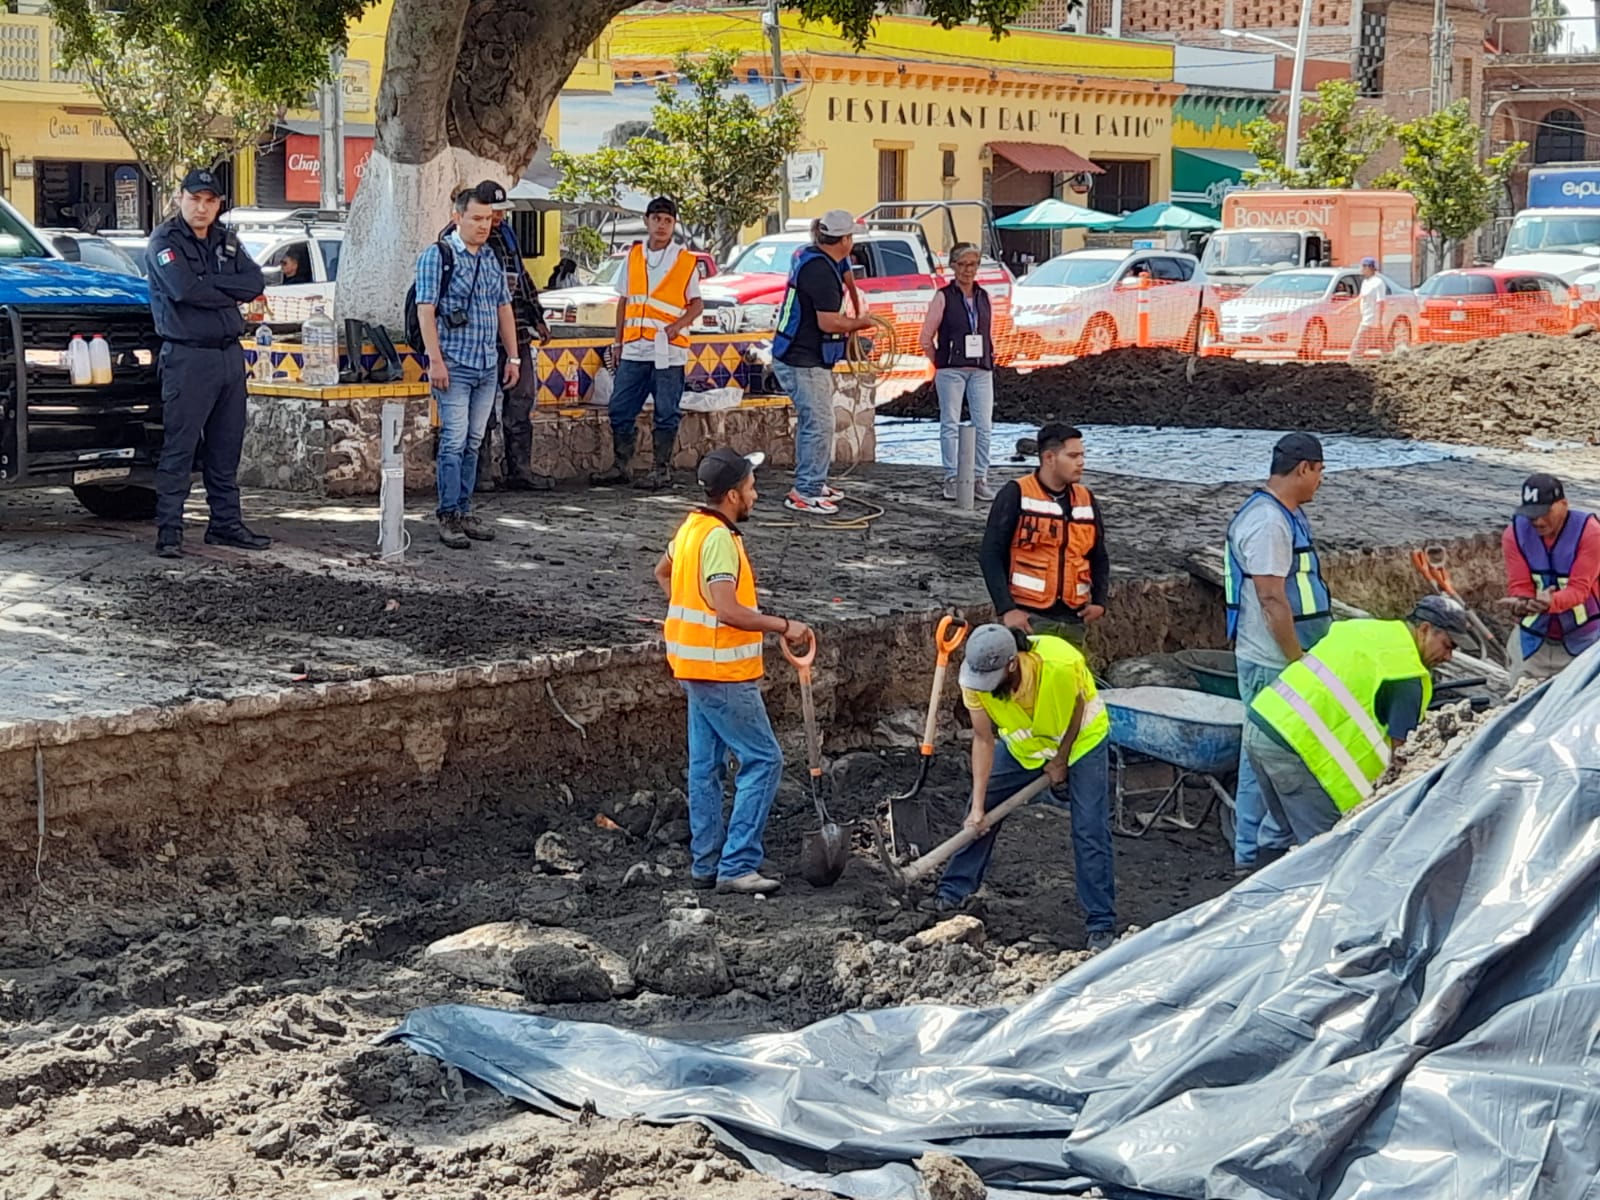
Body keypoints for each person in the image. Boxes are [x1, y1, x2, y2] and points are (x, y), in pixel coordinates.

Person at [653, 447, 812, 896]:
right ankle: (738, 864)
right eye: (751, 487)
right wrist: (784, 625)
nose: (756, 495)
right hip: (723, 672)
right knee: (764, 759)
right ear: (731, 496)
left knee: (705, 767)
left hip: (693, 666)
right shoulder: (720, 539)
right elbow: (726, 609)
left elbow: (662, 572)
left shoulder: (691, 528)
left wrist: (686, 616)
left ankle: (707, 862)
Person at [931, 623, 1115, 953]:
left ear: (1013, 663)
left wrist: (1061, 760)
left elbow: (1076, 711)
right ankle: (954, 890)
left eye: (993, 678)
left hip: (1082, 741)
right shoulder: (973, 678)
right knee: (981, 808)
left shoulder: (1059, 664)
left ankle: (1101, 922)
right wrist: (978, 808)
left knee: (1089, 828)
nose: (986, 688)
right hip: (1024, 748)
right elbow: (983, 739)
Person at [1245, 596, 1469, 845]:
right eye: (1448, 646)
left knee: (1281, 833)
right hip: (1296, 750)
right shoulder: (1407, 675)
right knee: (1323, 849)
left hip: (1263, 723)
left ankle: (1252, 877)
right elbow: (1403, 758)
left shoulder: (1366, 629)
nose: (1449, 657)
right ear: (1425, 629)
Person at [144, 167, 270, 559]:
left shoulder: (225, 239)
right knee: (179, 448)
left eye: (209, 200)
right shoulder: (165, 240)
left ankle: (226, 525)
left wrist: (208, 284)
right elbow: (182, 289)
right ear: (180, 198)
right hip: (188, 356)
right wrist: (222, 288)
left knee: (226, 447)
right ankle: (169, 531)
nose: (201, 207)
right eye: (194, 199)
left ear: (218, 204)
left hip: (229, 356)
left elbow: (254, 283)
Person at [1221, 432, 1332, 873]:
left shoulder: (1286, 515)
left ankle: (1263, 844)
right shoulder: (1269, 524)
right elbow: (1272, 599)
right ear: (1303, 468)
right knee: (1262, 755)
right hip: (1272, 660)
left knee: (1265, 753)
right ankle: (1253, 853)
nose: (1321, 481)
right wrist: (1296, 659)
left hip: (1279, 656)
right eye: (1320, 471)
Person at [414, 186, 521, 549]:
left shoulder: (491, 258)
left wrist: (514, 356)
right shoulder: (438, 256)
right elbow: (425, 310)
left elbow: (503, 308)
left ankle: (464, 508)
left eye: (488, 219)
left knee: (475, 441)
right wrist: (436, 361)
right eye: (476, 218)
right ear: (457, 217)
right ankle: (447, 513)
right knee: (454, 442)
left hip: (487, 365)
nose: (483, 225)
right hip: (454, 364)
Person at [594, 196, 704, 491]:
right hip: (634, 348)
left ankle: (661, 469)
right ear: (647, 221)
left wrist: (676, 326)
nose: (662, 225)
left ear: (674, 224)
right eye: (657, 219)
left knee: (667, 410)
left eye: (668, 220)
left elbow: (696, 304)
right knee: (620, 407)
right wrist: (617, 343)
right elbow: (624, 300)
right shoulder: (634, 256)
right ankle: (621, 465)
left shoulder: (684, 260)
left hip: (669, 350)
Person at [771, 210, 877, 516]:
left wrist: (856, 305)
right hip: (802, 358)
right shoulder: (819, 272)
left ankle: (813, 481)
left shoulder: (813, 255)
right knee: (819, 423)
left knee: (814, 421)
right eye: (851, 238)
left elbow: (846, 273)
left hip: (798, 354)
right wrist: (860, 323)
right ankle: (805, 490)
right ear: (844, 240)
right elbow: (829, 323)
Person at [979, 423, 1108, 652]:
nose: (1081, 462)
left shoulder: (1086, 498)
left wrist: (1099, 601)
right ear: (1049, 457)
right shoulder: (1016, 493)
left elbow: (1098, 555)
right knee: (1029, 685)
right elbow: (990, 554)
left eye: (1082, 455)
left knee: (1068, 685)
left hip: (1074, 619)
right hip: (1028, 619)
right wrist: (1007, 609)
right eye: (1073, 456)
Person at [467, 180, 553, 491]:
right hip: (482, 336)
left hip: (516, 331)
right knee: (483, 405)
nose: (499, 217)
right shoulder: (466, 242)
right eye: (493, 211)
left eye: (501, 211)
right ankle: (480, 472)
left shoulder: (507, 235)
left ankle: (520, 469)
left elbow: (523, 276)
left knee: (522, 398)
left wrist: (537, 316)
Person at [1500, 472, 1600, 685]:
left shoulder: (1590, 533)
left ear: (1563, 504)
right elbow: (1520, 585)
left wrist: (1550, 603)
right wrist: (1521, 604)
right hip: (1533, 641)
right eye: (1531, 513)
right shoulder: (1514, 535)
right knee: (1517, 704)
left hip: (1585, 641)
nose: (1538, 520)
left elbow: (1579, 589)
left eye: (1545, 512)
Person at [918, 242, 996, 502]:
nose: (967, 270)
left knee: (983, 425)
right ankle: (952, 477)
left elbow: (987, 331)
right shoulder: (943, 296)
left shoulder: (984, 296)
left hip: (981, 370)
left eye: (972, 264)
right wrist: (939, 361)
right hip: (951, 370)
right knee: (950, 423)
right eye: (962, 264)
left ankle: (979, 477)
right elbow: (926, 337)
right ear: (952, 266)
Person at [1349, 257, 1388, 362]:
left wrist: (1379, 321)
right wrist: (1344, 308)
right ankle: (1393, 358)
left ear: (1368, 267)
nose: (1360, 269)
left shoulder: (1378, 283)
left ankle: (1353, 361)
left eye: (1362, 266)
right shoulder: (1365, 282)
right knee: (1381, 343)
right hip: (1367, 317)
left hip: (1371, 319)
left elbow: (1381, 302)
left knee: (1358, 344)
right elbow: (1361, 298)